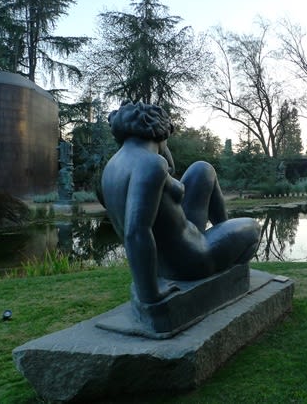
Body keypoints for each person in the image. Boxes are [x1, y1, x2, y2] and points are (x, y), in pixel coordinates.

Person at [101, 101, 261, 304]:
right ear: (160, 133)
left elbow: (171, 176)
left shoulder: (115, 165)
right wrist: (150, 293)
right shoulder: (151, 163)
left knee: (203, 169)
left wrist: (163, 152)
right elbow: (135, 232)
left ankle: (222, 230)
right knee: (254, 228)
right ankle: (225, 271)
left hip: (176, 250)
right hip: (191, 261)